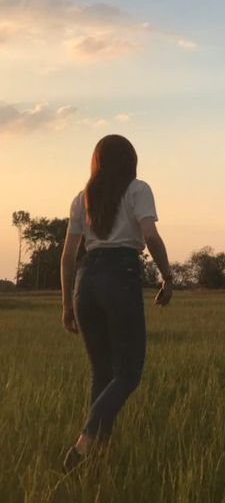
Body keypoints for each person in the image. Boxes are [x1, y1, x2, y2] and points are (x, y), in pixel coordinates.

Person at [59, 134, 173, 471]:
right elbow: (150, 235)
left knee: (102, 373)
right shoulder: (138, 189)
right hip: (120, 276)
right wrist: (168, 276)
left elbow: (68, 255)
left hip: (86, 279)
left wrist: (66, 304)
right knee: (128, 374)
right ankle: (84, 442)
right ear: (131, 161)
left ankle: (98, 455)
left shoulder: (82, 198)